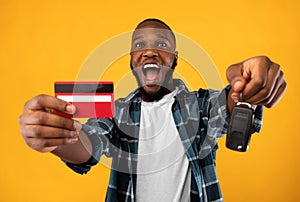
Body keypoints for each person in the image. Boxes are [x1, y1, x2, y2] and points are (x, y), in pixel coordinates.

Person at [18, 18, 286, 202]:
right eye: (139, 46)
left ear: (175, 59)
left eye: (161, 45)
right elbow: (91, 143)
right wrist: (57, 136)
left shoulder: (200, 106)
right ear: (131, 62)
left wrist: (248, 86)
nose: (149, 52)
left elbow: (227, 106)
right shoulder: (117, 112)